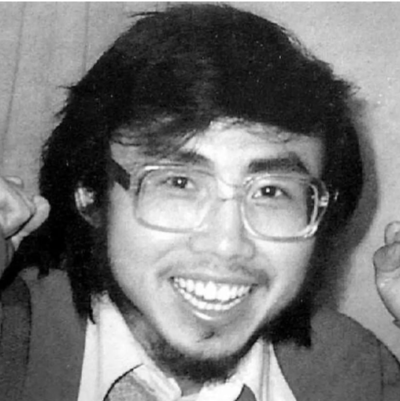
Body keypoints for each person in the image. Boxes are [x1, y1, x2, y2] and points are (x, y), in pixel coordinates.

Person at [0, 4, 399, 400]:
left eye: (271, 192)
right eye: (179, 182)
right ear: (90, 194)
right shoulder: (14, 341)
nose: (227, 244)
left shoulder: (357, 373)